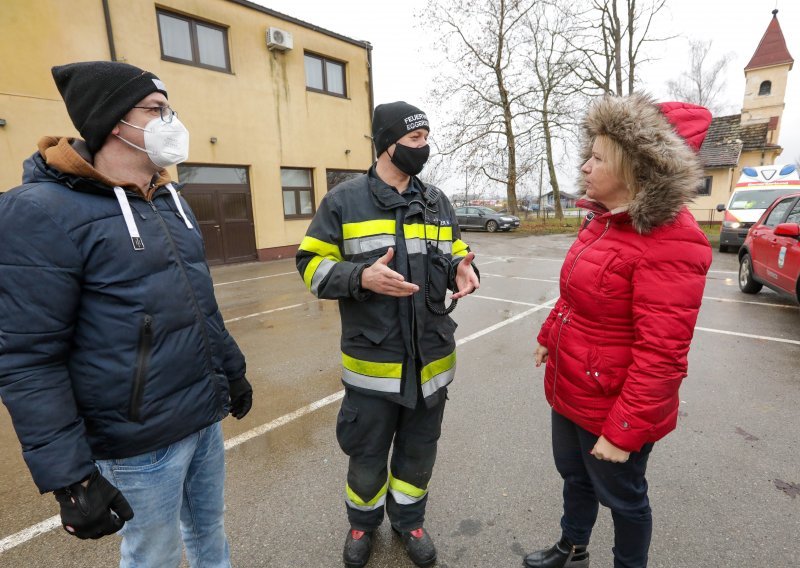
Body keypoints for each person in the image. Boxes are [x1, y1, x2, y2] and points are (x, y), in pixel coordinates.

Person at [0, 61, 253, 567]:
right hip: (139, 445)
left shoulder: (168, 198)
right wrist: (71, 477)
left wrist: (232, 370)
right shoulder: (39, 212)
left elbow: (197, 303)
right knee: (153, 557)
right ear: (116, 121)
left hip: (202, 418)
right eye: (157, 110)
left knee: (211, 537)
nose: (170, 121)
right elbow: (27, 357)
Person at [524, 93, 713, 568]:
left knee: (624, 499)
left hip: (613, 402)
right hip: (573, 383)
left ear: (635, 167)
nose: (585, 167)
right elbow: (574, 295)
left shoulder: (672, 240)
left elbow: (662, 354)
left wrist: (624, 431)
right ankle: (573, 548)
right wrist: (550, 334)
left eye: (596, 157)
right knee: (575, 477)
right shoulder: (602, 222)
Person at [296, 101, 480, 568]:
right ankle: (362, 526)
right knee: (367, 455)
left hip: (432, 360)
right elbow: (310, 264)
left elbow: (456, 251)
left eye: (425, 138)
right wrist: (361, 278)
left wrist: (463, 268)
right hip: (373, 365)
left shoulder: (437, 201)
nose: (425, 147)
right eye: (415, 139)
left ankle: (409, 521)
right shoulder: (343, 200)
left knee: (419, 455)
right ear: (387, 144)